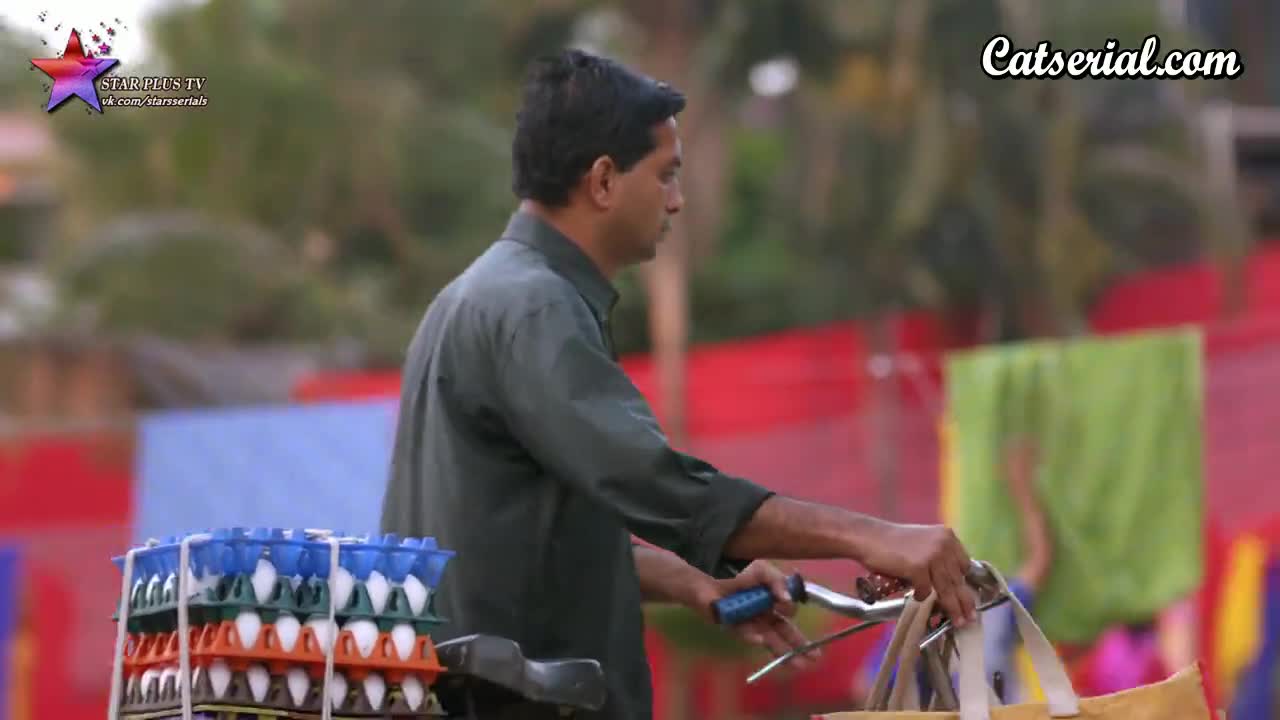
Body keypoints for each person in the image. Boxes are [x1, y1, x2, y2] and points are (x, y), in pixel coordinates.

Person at [379, 48, 977, 720]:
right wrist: (875, 538)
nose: (676, 200)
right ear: (604, 180)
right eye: (665, 175)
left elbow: (522, 541)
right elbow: (656, 485)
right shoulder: (535, 307)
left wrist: (694, 583)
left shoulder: (480, 296)